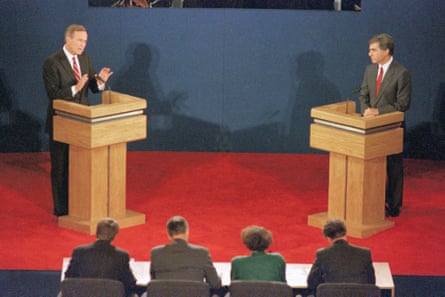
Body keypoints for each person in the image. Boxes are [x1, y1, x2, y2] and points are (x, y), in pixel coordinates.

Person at [42, 24, 113, 216]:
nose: (83, 45)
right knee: (60, 168)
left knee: (78, 167)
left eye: (85, 41)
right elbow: (53, 95)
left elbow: (92, 88)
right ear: (68, 39)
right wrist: (75, 87)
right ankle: (61, 209)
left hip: (82, 122)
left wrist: (101, 81)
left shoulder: (85, 59)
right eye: (80, 41)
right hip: (61, 122)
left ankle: (78, 204)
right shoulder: (52, 62)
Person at [359, 33, 412, 217]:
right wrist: (366, 110)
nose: (369, 54)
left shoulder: (401, 73)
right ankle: (375, 201)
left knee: (393, 166)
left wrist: (378, 112)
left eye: (373, 50)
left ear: (386, 51)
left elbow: (403, 104)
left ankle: (394, 204)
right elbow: (363, 95)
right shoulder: (369, 70)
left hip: (391, 127)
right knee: (374, 164)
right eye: (369, 50)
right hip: (371, 126)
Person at [64, 218, 138, 297]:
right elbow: (130, 283)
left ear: (97, 232)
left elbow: (69, 277)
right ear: (114, 236)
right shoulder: (122, 256)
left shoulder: (79, 252)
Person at [150, 216, 222, 291]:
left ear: (168, 234)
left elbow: (154, 283)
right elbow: (215, 284)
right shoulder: (202, 253)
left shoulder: (156, 254)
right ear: (187, 232)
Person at [307, 219, 376, 295]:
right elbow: (371, 283)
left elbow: (312, 282)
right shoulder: (364, 253)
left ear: (328, 237)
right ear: (345, 233)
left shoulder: (322, 254)